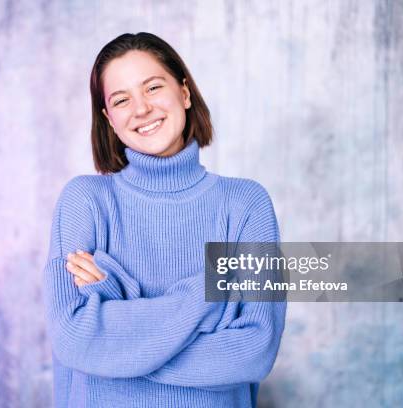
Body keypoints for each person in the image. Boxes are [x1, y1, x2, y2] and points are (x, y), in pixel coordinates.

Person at [44, 32, 286, 408]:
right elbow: (74, 340)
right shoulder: (85, 200)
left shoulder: (246, 204)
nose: (141, 109)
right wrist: (206, 302)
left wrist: (117, 334)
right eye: (121, 100)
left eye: (153, 87)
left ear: (185, 93)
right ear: (109, 119)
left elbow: (254, 350)